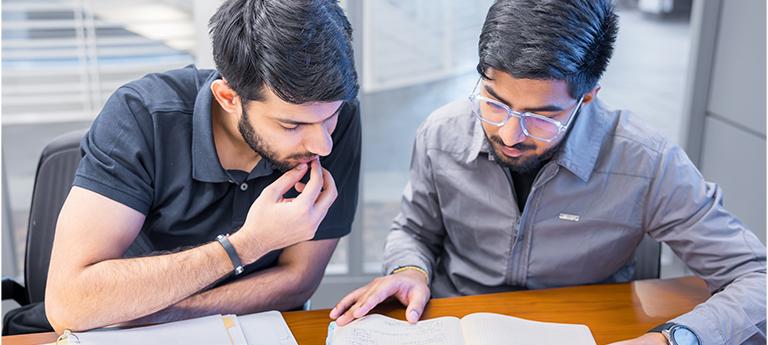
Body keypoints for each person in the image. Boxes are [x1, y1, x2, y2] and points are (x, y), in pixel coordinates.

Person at [330, 1, 766, 344]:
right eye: (494, 102)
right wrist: (410, 269)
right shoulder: (441, 133)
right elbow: (414, 230)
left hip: (587, 327)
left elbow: (756, 279)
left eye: (542, 116)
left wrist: (675, 339)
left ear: (588, 98)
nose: (510, 133)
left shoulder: (647, 162)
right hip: (455, 324)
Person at [44, 0, 360, 333]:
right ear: (228, 97)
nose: (322, 145)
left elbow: (298, 280)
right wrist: (248, 244)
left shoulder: (329, 114)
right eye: (290, 126)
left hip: (244, 330)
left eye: (330, 118)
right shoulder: (140, 117)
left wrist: (163, 313)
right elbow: (70, 304)